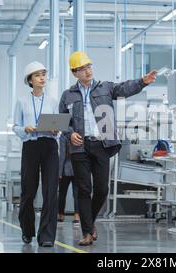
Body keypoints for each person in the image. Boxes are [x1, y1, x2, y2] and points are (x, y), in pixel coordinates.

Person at [59, 51, 157, 246]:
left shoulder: (105, 88)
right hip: (79, 147)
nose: (87, 71)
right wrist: (70, 134)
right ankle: (87, 232)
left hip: (102, 144)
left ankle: (90, 221)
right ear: (74, 72)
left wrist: (143, 81)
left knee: (102, 189)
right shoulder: (68, 95)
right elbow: (62, 121)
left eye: (89, 66)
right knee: (84, 190)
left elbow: (125, 88)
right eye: (82, 69)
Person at [13, 61, 59, 247]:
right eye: (37, 75)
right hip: (30, 146)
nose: (42, 78)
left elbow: (58, 124)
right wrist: (26, 128)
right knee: (28, 191)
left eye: (43, 74)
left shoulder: (53, 101)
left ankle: (47, 236)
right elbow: (15, 126)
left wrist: (57, 130)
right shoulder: (22, 101)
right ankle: (27, 230)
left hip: (49, 146)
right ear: (30, 80)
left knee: (50, 191)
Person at [58, 134, 80, 225]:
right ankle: (77, 214)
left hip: (65, 169)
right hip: (78, 168)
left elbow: (62, 154)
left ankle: (61, 214)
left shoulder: (63, 136)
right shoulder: (80, 135)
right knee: (77, 193)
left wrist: (59, 172)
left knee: (62, 193)